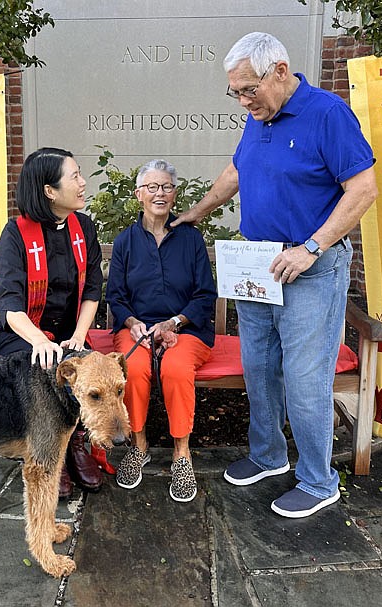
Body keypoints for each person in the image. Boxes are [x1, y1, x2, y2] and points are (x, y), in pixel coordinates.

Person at [173, 32, 378, 518]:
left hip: (309, 268)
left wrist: (312, 248)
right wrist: (195, 213)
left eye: (249, 90)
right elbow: (237, 171)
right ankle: (268, 456)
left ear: (280, 71)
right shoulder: (257, 118)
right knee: (260, 368)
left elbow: (363, 188)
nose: (244, 101)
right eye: (236, 93)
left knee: (306, 379)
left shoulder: (326, 114)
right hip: (258, 264)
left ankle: (317, 479)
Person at [0, 147, 104, 498]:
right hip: (22, 334)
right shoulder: (16, 234)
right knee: (43, 366)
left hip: (71, 332)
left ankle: (76, 444)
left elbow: (92, 290)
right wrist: (39, 340)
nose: (83, 183)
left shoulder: (83, 227)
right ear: (49, 191)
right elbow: (9, 301)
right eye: (74, 177)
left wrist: (78, 336)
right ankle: (48, 450)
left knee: (85, 367)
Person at [106, 159, 217, 503]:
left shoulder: (191, 239)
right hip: (137, 328)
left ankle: (181, 453)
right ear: (139, 194)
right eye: (152, 187)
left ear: (175, 194)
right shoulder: (126, 241)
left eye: (166, 187)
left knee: (175, 367)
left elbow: (205, 295)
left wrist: (175, 323)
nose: (159, 193)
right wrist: (132, 322)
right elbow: (116, 296)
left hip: (186, 328)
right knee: (133, 368)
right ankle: (139, 445)